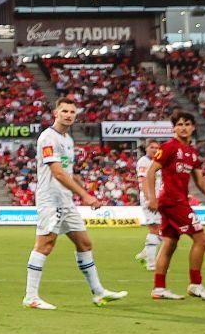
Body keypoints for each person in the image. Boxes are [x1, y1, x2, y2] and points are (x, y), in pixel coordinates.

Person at [23, 97, 127, 310]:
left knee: (84, 243)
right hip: (51, 200)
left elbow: (67, 171)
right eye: (64, 111)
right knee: (45, 245)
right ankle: (31, 297)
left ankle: (98, 293)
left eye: (72, 112)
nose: (69, 115)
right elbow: (58, 173)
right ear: (56, 113)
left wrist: (84, 188)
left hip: (66, 200)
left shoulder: (67, 140)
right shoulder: (48, 138)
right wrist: (85, 196)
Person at [144, 111, 205, 300]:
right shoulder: (169, 147)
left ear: (193, 127)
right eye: (179, 124)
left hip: (177, 200)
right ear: (174, 127)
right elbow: (151, 172)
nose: (183, 127)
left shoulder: (192, 153)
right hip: (173, 201)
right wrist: (151, 198)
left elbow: (201, 182)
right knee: (201, 239)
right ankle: (196, 285)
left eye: (187, 124)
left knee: (170, 243)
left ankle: (159, 288)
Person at [134, 139, 163, 270]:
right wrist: (149, 199)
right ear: (146, 148)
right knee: (155, 228)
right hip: (150, 199)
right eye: (152, 147)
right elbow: (143, 181)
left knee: (160, 229)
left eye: (157, 147)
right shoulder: (143, 161)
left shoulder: (158, 162)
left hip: (158, 198)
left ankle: (144, 254)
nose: (155, 150)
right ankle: (151, 263)